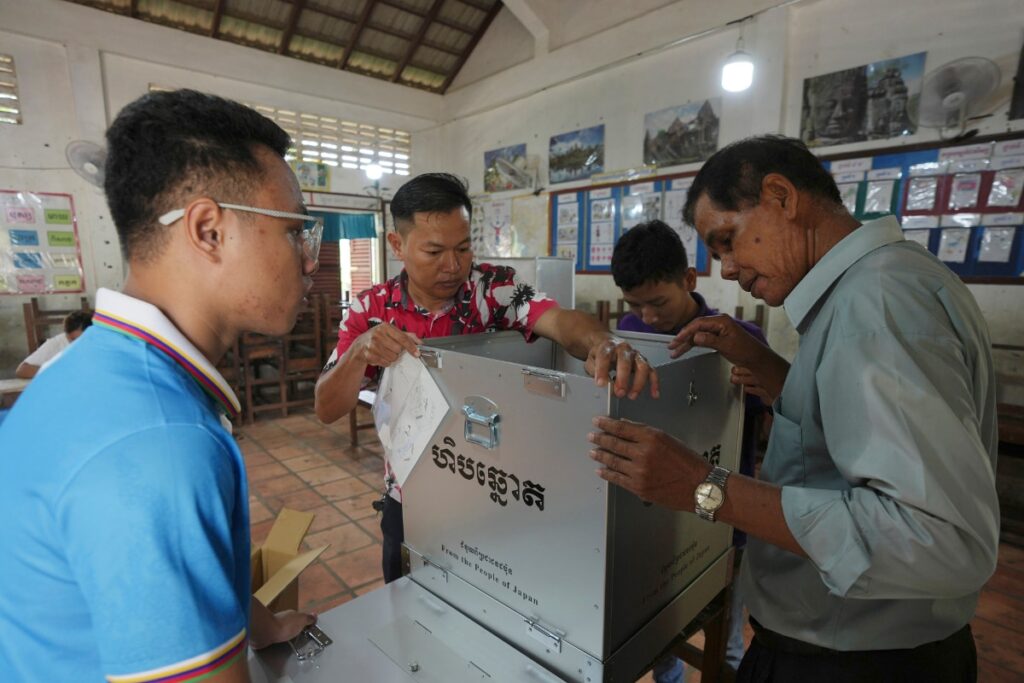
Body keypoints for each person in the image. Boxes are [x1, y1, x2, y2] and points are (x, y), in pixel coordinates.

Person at [589, 135, 997, 682]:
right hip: (851, 643)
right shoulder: (885, 283)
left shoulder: (875, 305)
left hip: (857, 661)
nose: (727, 269)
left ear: (780, 196)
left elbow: (938, 539)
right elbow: (846, 435)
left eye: (728, 240)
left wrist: (704, 486)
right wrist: (769, 368)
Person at [0, 89, 321, 683]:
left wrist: (260, 625)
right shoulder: (161, 442)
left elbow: (181, 566)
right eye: (294, 231)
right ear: (208, 230)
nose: (308, 260)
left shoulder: (93, 365)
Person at [315, 172, 658, 584]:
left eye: (463, 248)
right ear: (397, 245)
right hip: (410, 493)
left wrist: (602, 341)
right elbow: (327, 408)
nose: (453, 266)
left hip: (489, 489)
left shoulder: (493, 289)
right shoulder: (372, 309)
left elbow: (559, 320)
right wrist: (359, 352)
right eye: (434, 251)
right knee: (408, 600)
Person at [611, 220, 768, 681]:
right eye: (635, 304)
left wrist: (755, 383)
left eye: (658, 303)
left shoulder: (739, 340)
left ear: (689, 279)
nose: (647, 317)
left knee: (726, 629)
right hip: (656, 514)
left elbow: (768, 415)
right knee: (658, 626)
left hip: (724, 513)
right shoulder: (628, 333)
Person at [15, 309, 93, 378]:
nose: (78, 343)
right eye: (73, 339)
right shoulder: (56, 343)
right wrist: (58, 372)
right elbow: (22, 370)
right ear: (66, 334)